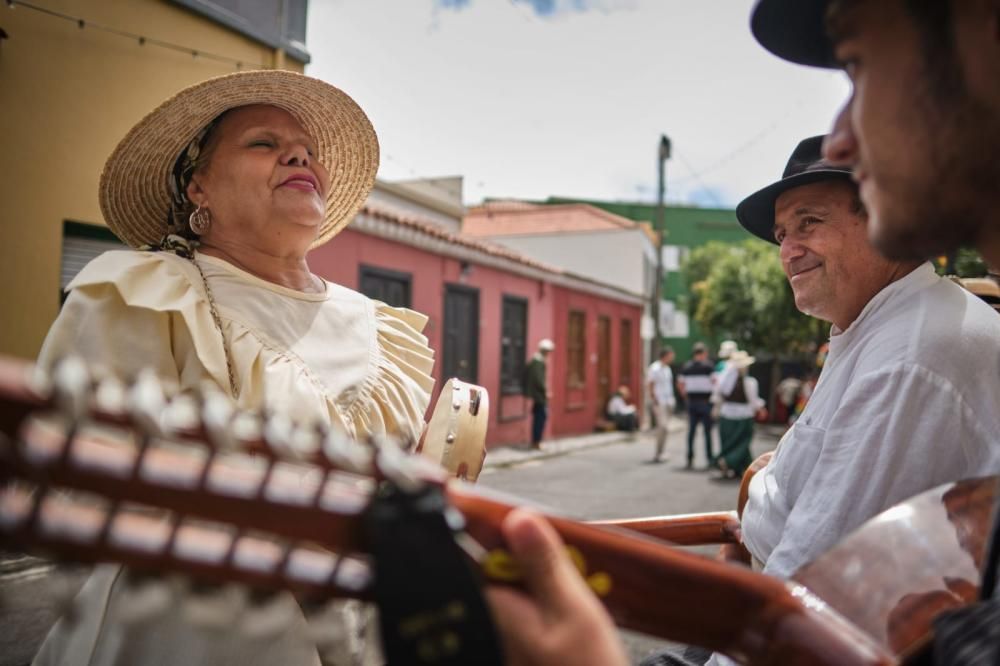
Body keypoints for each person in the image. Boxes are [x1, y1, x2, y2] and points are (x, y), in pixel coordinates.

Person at [486, 130, 1000, 666]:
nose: (788, 250)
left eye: (810, 223)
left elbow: (808, 602)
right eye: (782, 234)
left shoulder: (908, 355)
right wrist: (757, 505)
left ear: (885, 220)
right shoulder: (882, 326)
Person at [31, 70, 436, 666]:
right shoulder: (146, 292)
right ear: (200, 188)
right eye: (264, 143)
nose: (299, 154)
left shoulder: (378, 324)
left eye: (306, 150)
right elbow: (84, 487)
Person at [711, 351, 764, 480]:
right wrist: (760, 409)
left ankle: (737, 468)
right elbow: (753, 400)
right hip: (744, 416)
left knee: (728, 442)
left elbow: (717, 396)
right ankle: (729, 462)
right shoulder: (750, 382)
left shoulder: (724, 381)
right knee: (742, 443)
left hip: (726, 415)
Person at [677, 342, 715, 469]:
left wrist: (686, 397)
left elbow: (680, 384)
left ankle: (689, 459)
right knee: (707, 432)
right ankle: (709, 459)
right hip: (705, 401)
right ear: (704, 353)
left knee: (691, 432)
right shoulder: (709, 366)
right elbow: (715, 382)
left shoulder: (686, 367)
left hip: (692, 401)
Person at [645, 347, 676, 463]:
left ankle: (661, 452)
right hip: (659, 402)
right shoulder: (655, 368)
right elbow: (650, 384)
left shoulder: (667, 369)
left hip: (668, 402)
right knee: (663, 427)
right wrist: (654, 399)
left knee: (665, 429)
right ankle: (658, 452)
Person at [525, 338, 554, 448]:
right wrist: (545, 391)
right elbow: (539, 379)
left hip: (538, 395)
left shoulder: (537, 360)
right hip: (539, 396)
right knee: (540, 418)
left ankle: (536, 441)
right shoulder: (538, 362)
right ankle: (536, 442)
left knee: (539, 417)